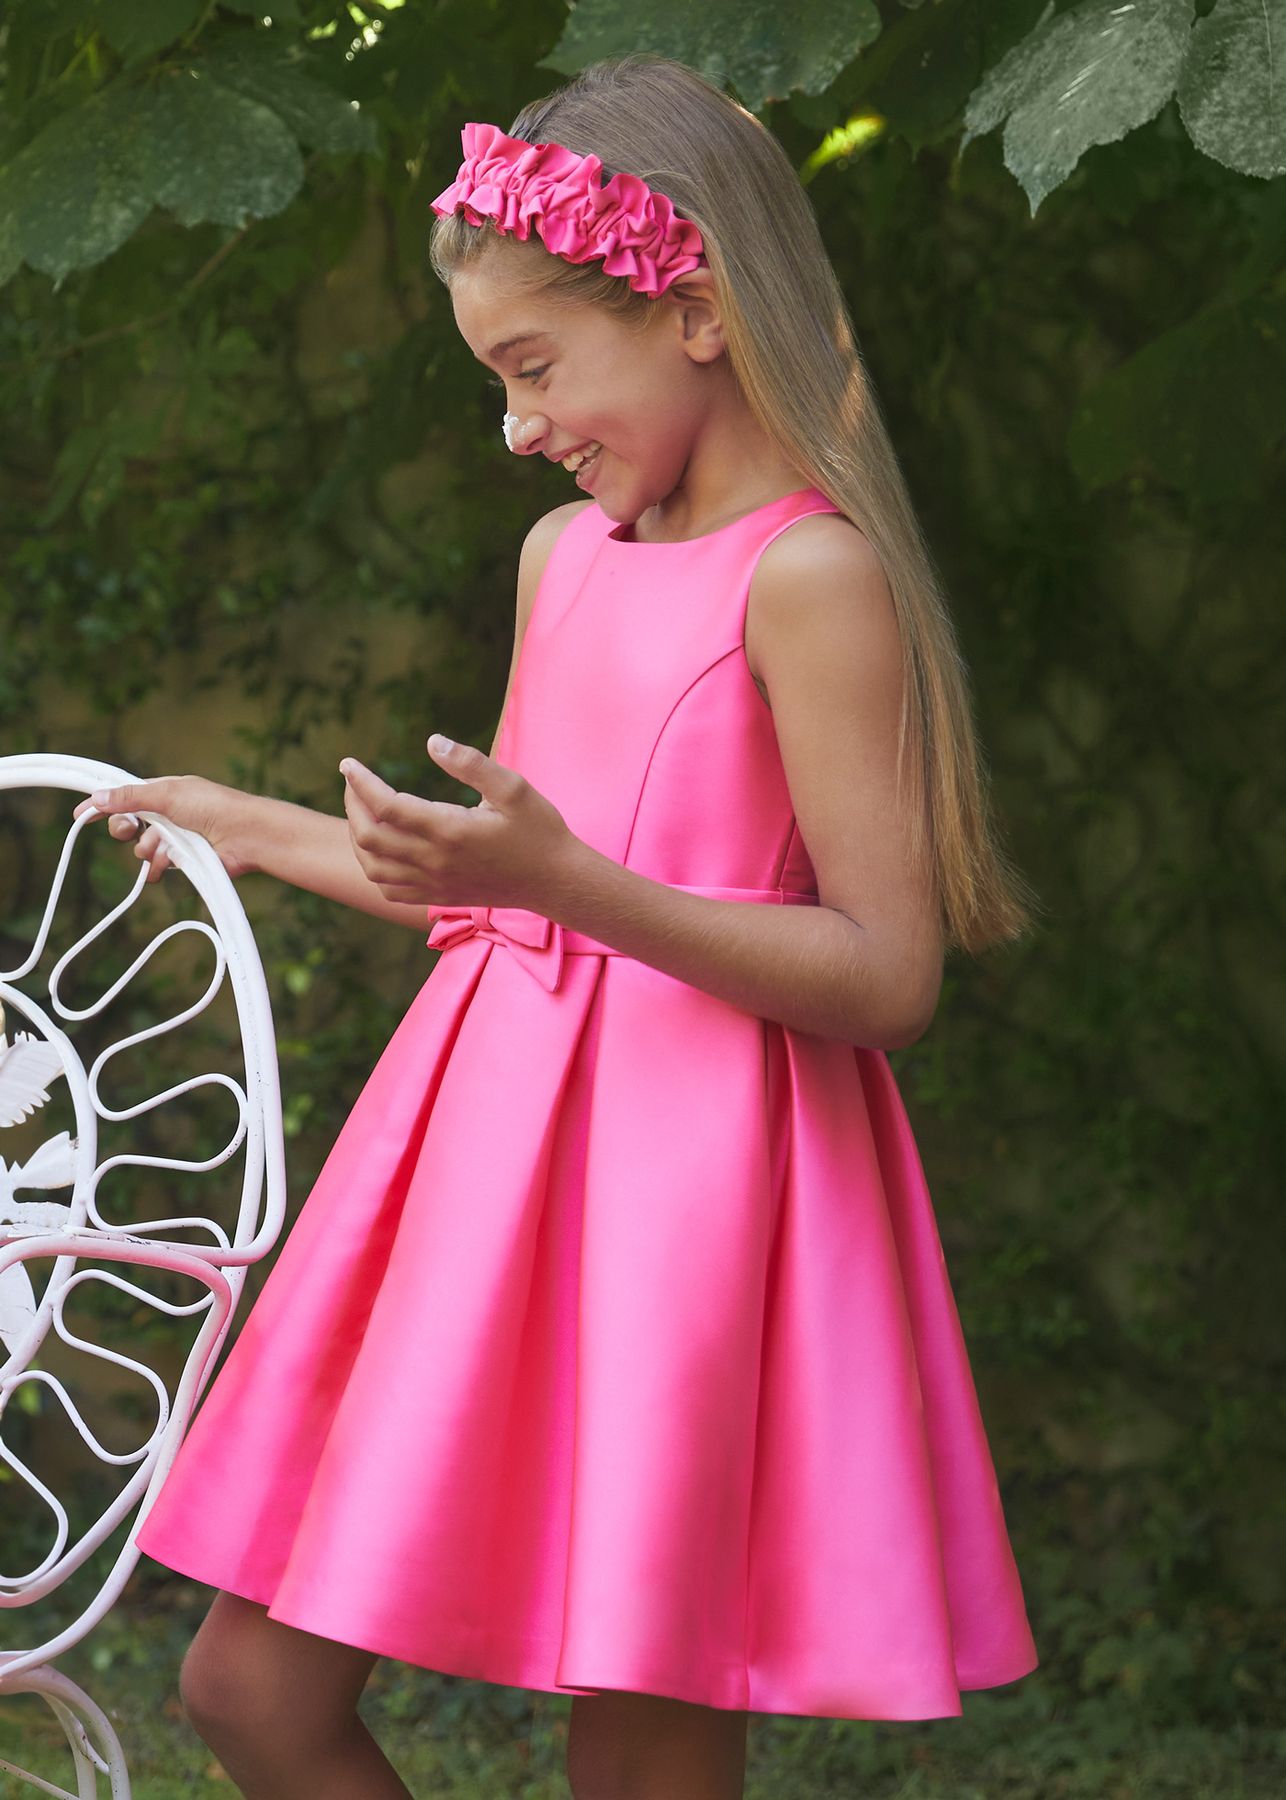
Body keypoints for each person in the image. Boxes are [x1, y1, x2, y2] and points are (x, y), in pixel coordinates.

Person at [75, 53, 1041, 1800]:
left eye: (533, 367)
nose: (518, 426)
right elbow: (488, 893)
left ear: (691, 312)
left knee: (639, 1743)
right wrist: (245, 822)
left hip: (684, 1211)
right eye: (495, 382)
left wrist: (570, 882)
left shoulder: (810, 579)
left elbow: (886, 975)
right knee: (249, 1688)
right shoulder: (561, 556)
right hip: (477, 1175)